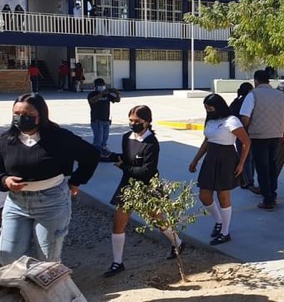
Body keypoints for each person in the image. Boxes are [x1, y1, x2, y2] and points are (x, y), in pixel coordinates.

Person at [0, 94, 99, 265]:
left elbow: (91, 155)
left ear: (41, 115)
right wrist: (5, 180)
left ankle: (48, 292)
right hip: (16, 204)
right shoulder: (6, 140)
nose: (21, 118)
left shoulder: (59, 137)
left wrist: (76, 180)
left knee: (47, 259)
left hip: (51, 201)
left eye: (27, 115)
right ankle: (18, 290)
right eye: (16, 113)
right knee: (8, 257)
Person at [104, 105, 186, 277]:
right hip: (128, 184)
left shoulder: (151, 143)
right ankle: (117, 262)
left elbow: (145, 171)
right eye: (131, 121)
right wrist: (112, 157)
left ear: (147, 122)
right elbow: (128, 158)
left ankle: (178, 243)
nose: (133, 124)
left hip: (147, 185)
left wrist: (123, 166)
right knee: (119, 222)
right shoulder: (127, 137)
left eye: (137, 121)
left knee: (156, 220)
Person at [189, 95, 250, 245]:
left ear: (219, 106)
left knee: (223, 197)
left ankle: (225, 232)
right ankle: (218, 220)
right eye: (206, 109)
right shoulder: (210, 121)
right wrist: (196, 159)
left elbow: (246, 142)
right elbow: (207, 141)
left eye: (210, 108)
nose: (208, 111)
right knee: (204, 196)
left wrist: (241, 163)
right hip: (210, 159)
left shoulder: (231, 120)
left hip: (226, 159)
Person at [239, 70, 284, 211]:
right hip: (276, 135)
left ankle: (267, 199)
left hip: (258, 136)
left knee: (262, 167)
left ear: (255, 81)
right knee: (272, 165)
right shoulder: (280, 95)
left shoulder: (252, 95)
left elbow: (245, 117)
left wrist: (244, 132)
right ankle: (272, 194)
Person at [229, 82, 259, 195]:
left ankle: (246, 180)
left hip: (239, 134)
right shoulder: (249, 101)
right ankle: (248, 181)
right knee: (249, 158)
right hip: (249, 133)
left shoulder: (235, 102)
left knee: (245, 157)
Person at [88, 78, 121, 156]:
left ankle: (103, 151)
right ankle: (95, 153)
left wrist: (117, 93)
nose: (102, 87)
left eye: (103, 85)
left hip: (106, 119)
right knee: (98, 139)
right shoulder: (92, 94)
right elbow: (92, 101)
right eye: (99, 85)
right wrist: (101, 94)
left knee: (104, 139)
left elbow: (117, 100)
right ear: (95, 86)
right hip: (96, 120)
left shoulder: (107, 95)